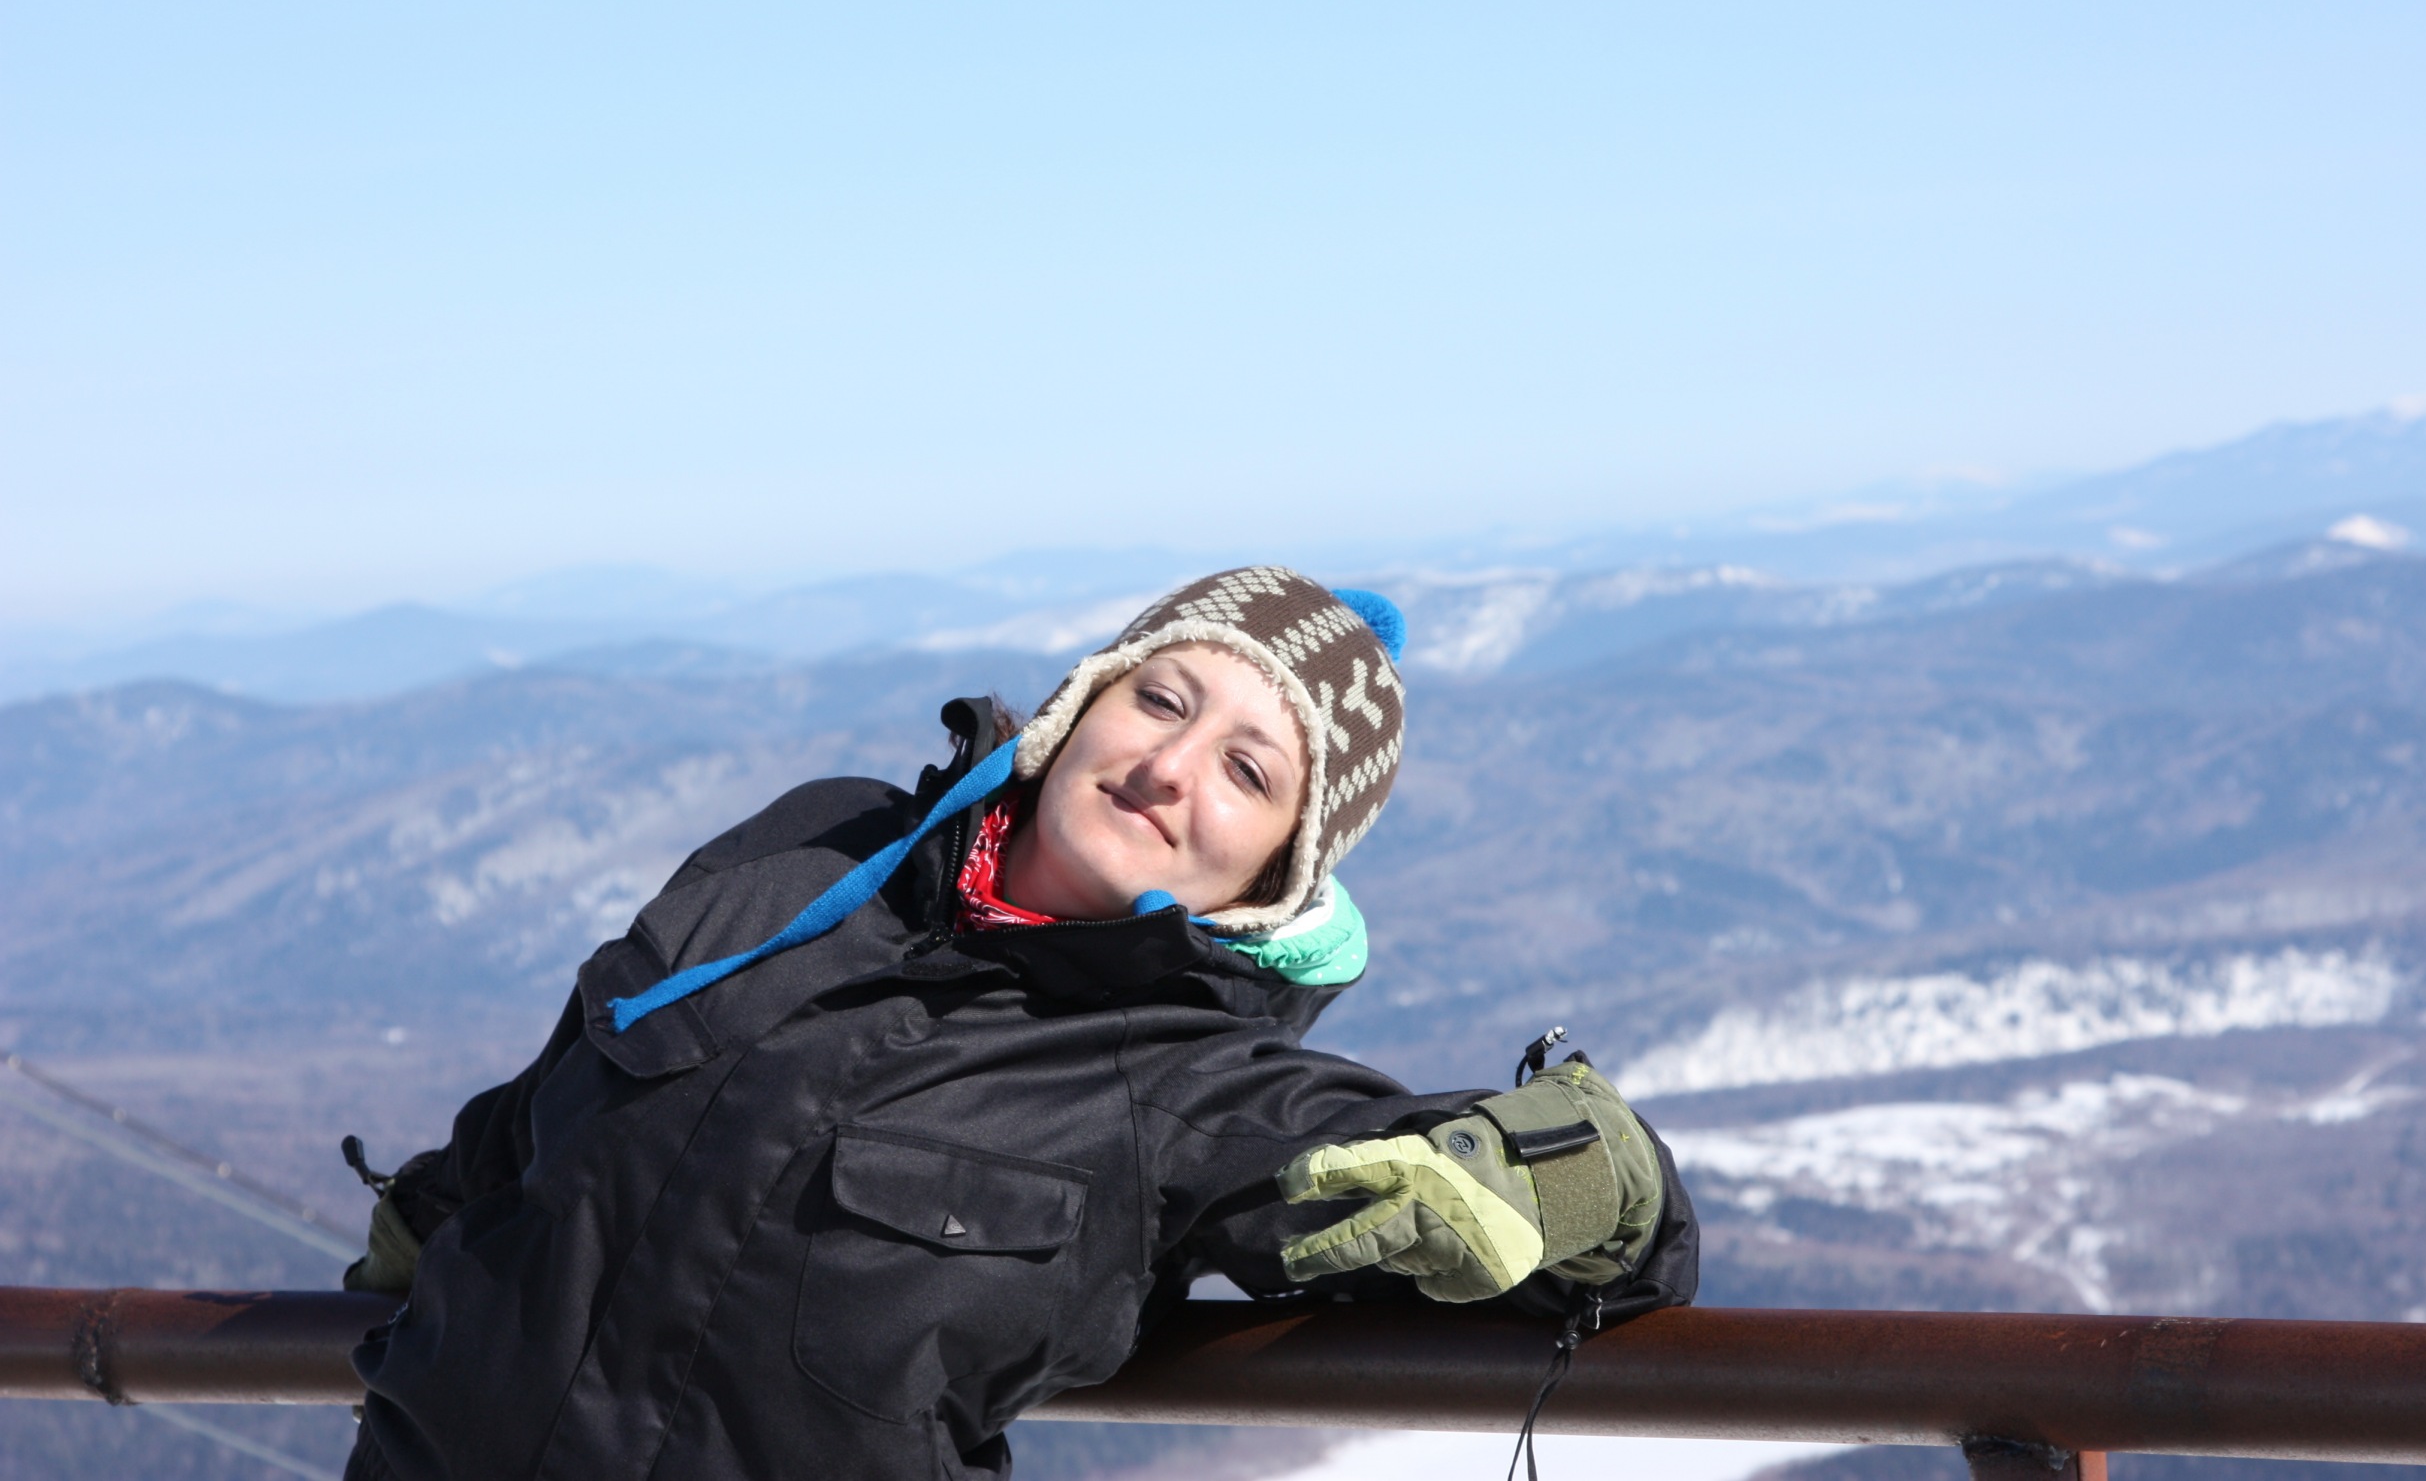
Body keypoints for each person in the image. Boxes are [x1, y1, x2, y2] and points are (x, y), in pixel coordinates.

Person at [339, 566, 1697, 1481]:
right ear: (1083, 701)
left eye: (1246, 770)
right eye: (1161, 698)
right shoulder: (815, 848)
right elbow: (577, 1070)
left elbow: (1623, 1213)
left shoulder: (1186, 1080)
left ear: (1278, 870)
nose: (1168, 767)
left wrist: (1542, 1172)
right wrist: (434, 1225)